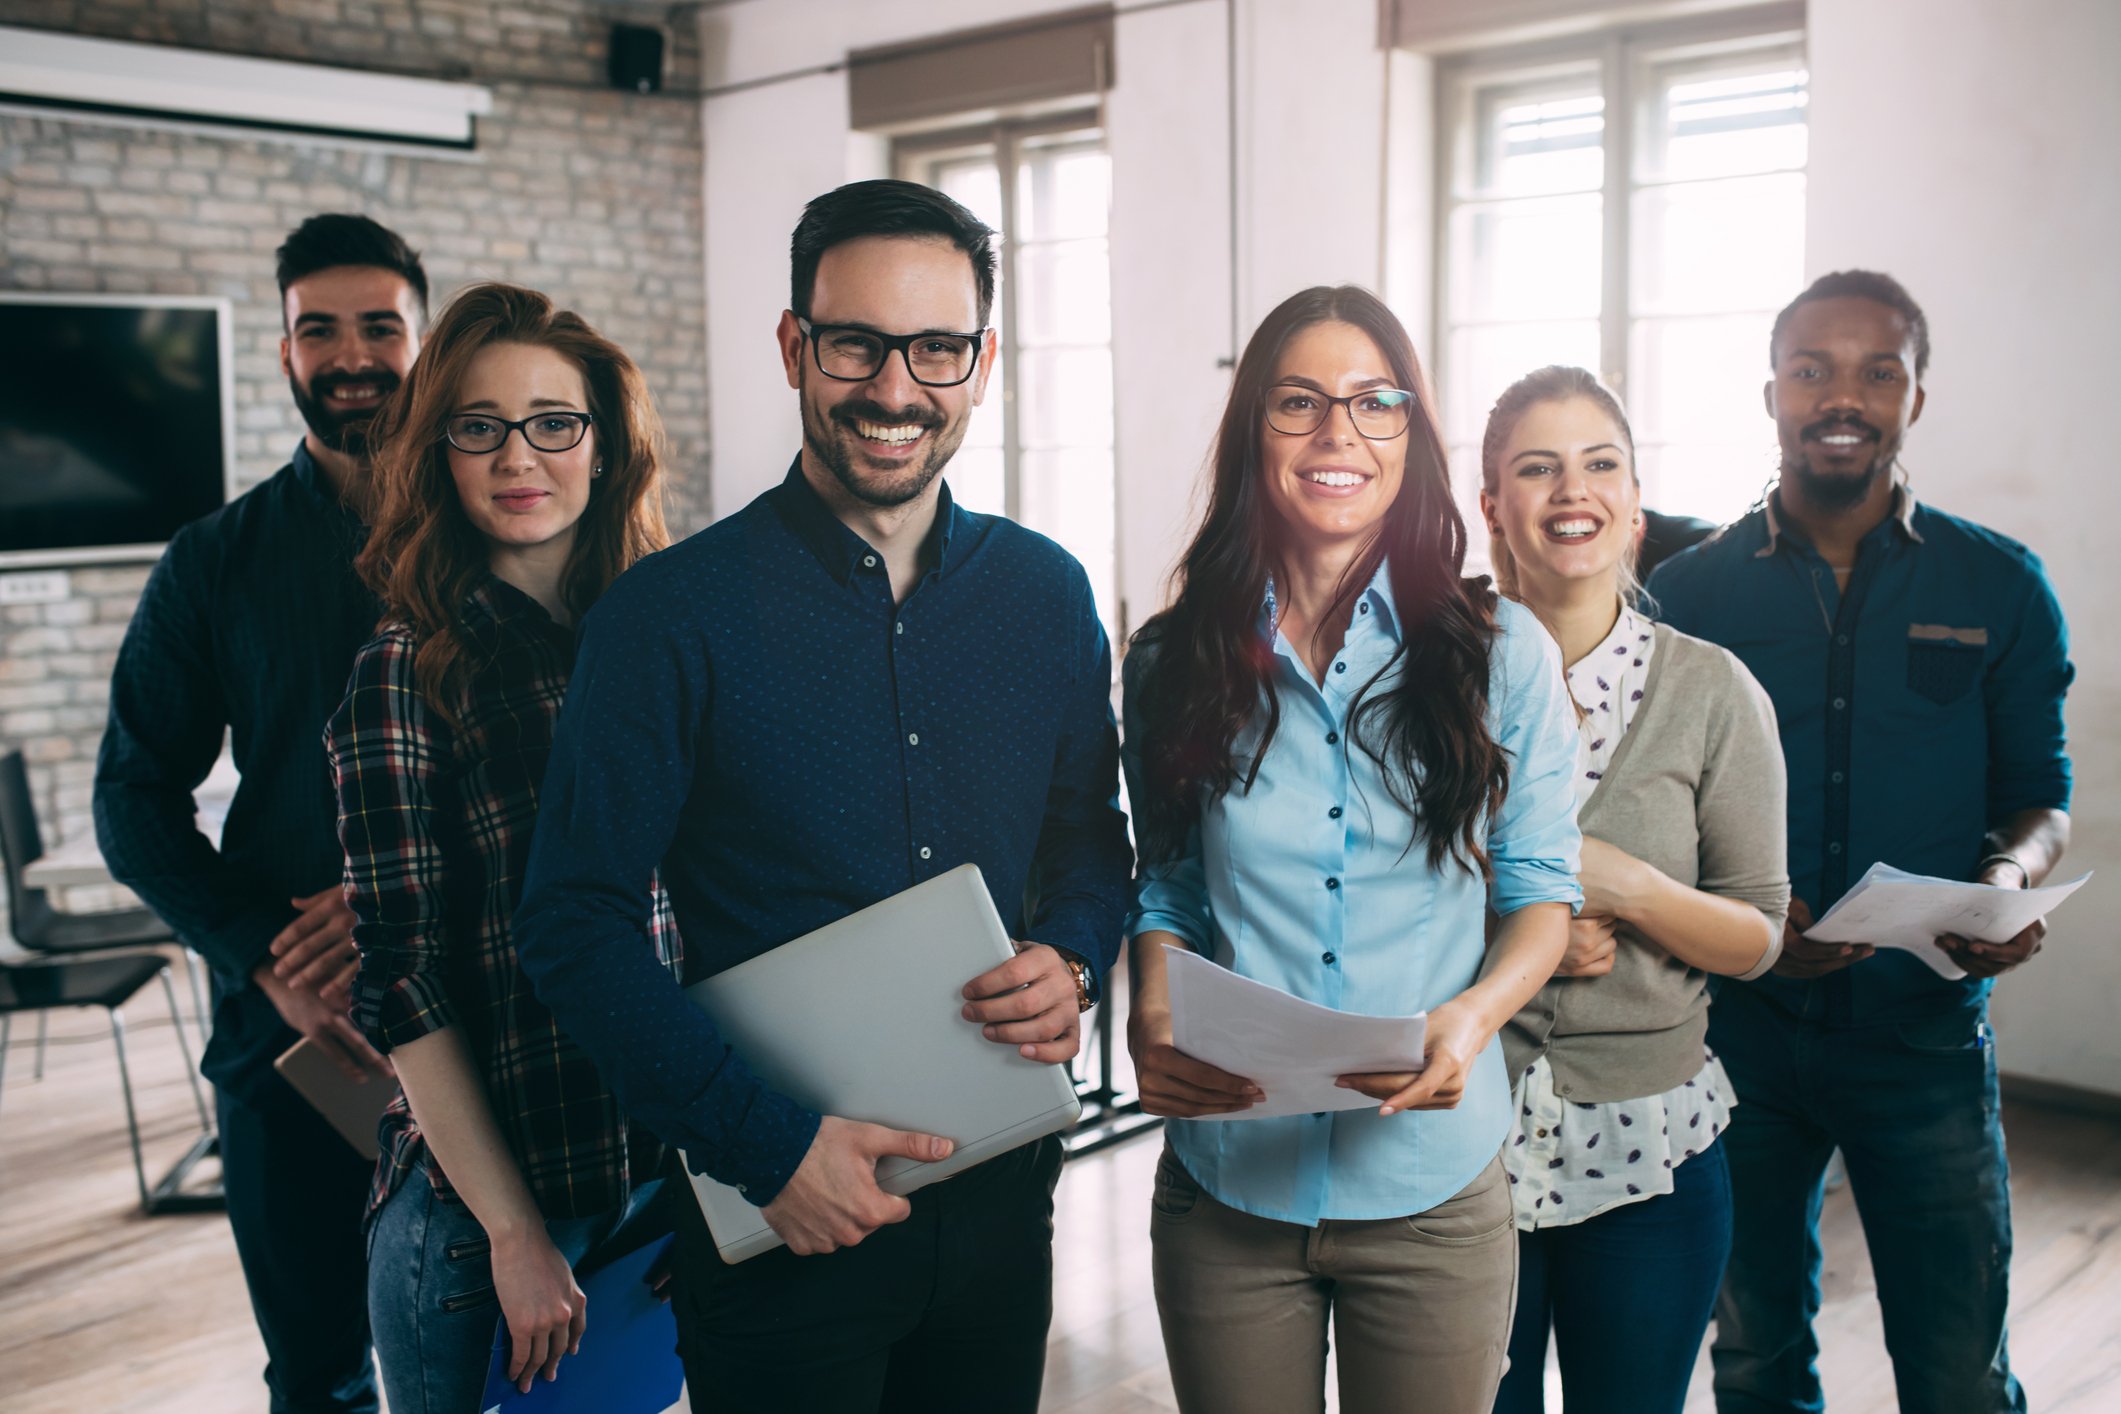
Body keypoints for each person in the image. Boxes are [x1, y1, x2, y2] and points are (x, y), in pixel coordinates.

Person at [510, 179, 1132, 1414]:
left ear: (983, 360)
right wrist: (767, 1146)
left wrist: (1071, 953)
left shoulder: (1048, 595)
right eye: (856, 343)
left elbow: (1091, 846)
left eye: (937, 348)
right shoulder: (665, 617)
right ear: (795, 344)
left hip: (1004, 1200)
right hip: (778, 1217)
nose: (896, 389)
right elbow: (570, 922)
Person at [1120, 286, 1581, 1414]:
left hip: (1431, 1194)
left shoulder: (1502, 653)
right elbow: (1170, 880)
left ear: (1412, 437)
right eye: (1301, 402)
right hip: (1228, 1189)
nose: (1340, 434)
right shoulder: (1174, 656)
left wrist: (1470, 1021)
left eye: (1377, 402)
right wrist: (1149, 1005)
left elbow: (1541, 893)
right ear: (1253, 433)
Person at [1647, 270, 2073, 1414]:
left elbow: (2041, 793)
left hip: (1924, 1036)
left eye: (1878, 371)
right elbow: (1641, 806)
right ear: (1772, 392)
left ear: (1916, 397)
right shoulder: (1686, 593)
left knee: (1957, 1371)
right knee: (1755, 1357)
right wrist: (1734, 912)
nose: (1845, 396)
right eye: (1814, 369)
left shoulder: (2000, 585)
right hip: (1736, 1040)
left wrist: (2006, 878)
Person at [325, 283, 678, 1411]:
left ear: (603, 444)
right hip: (491, 1227)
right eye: (479, 426)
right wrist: (517, 1235)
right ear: (439, 451)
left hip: (661, 1176)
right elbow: (402, 979)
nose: (518, 456)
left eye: (552, 422)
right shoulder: (404, 668)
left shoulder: (657, 639)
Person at [94, 213, 425, 1414]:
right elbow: (131, 802)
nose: (351, 354)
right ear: (282, 353)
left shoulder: (510, 529)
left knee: (531, 1349)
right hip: (300, 1050)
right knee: (323, 1374)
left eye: (380, 325)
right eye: (318, 328)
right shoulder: (212, 562)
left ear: (423, 342)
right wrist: (266, 958)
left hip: (499, 1015)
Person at [1476, 366, 1789, 1414]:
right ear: (1493, 507)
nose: (1574, 489)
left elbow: (1759, 935)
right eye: (1538, 466)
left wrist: (1635, 887)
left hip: (1653, 1153)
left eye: (1600, 462)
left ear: (1634, 501)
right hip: (1454, 1139)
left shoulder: (1713, 691)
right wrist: (1522, 930)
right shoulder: (1418, 683)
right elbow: (1353, 895)